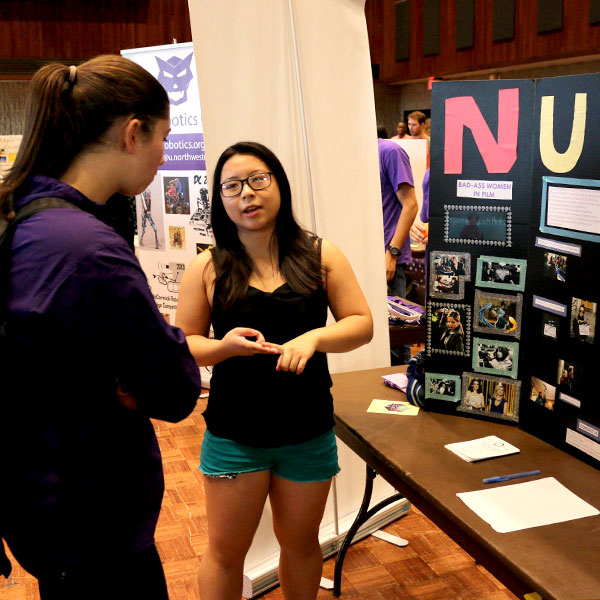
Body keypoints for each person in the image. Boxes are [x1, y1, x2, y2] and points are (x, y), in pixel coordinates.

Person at [0, 56, 202, 599]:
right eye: (162, 137)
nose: (164, 157)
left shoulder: (25, 218)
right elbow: (176, 389)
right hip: (92, 516)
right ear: (132, 132)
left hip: (40, 495)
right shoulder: (89, 250)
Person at [175, 141, 373, 600]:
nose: (247, 194)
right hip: (235, 433)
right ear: (221, 200)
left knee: (302, 544)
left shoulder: (321, 255)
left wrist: (315, 337)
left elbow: (361, 324)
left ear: (278, 185)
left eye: (258, 180)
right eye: (232, 186)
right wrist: (223, 348)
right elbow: (183, 344)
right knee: (226, 554)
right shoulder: (207, 266)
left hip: (306, 429)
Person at [377, 126, 418, 363]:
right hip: (362, 258)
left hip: (388, 261)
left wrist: (391, 253)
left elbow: (410, 205)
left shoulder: (389, 151)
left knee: (395, 340)